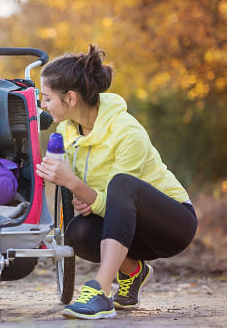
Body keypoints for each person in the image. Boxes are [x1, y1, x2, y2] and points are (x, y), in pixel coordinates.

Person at [35, 45, 197, 320]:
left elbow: (120, 192)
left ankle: (100, 290)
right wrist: (85, 196)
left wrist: (76, 185)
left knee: (123, 184)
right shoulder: (66, 131)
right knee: (78, 233)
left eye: (47, 98)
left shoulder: (126, 131)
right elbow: (102, 201)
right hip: (126, 228)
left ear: (71, 98)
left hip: (172, 224)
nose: (43, 105)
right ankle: (134, 271)